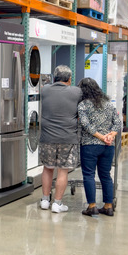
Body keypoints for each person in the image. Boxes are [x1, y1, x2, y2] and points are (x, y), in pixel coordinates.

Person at [39, 65, 82, 213]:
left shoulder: (45, 90)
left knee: (47, 168)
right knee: (63, 171)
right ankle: (57, 204)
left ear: (54, 78)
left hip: (47, 137)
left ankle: (45, 201)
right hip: (67, 138)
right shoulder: (76, 92)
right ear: (69, 79)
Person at [77, 78, 122, 217]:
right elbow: (117, 123)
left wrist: (101, 137)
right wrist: (110, 136)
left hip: (89, 145)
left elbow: (86, 124)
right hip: (108, 146)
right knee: (105, 175)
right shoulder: (108, 104)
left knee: (89, 175)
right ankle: (108, 206)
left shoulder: (83, 105)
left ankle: (92, 206)